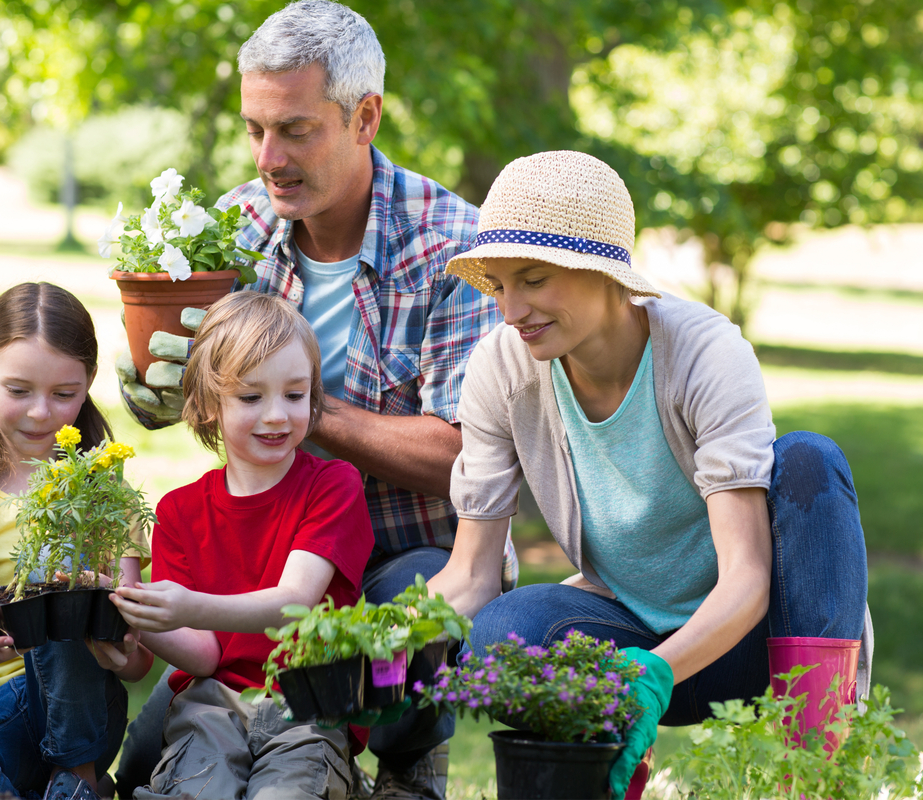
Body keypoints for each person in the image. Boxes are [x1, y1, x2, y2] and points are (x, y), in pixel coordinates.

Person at [115, 4, 511, 797]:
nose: (268, 157)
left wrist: (308, 408)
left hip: (404, 554)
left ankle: (407, 762)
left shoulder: (454, 250)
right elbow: (195, 388)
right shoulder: (237, 229)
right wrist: (161, 391)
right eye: (255, 129)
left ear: (365, 117)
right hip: (264, 563)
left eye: (295, 130)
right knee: (149, 752)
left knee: (413, 622)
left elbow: (466, 456)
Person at [426, 151, 873, 799]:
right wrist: (384, 636)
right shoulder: (502, 369)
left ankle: (812, 771)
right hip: (630, 636)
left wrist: (654, 675)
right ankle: (606, 774)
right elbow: (470, 574)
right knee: (500, 637)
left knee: (809, 458)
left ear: (604, 271)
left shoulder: (704, 353)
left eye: (532, 279)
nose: (510, 311)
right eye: (498, 285)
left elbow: (748, 579)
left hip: (755, 639)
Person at [106, 291, 374, 798]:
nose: (276, 415)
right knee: (196, 788)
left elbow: (295, 601)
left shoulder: (334, 485)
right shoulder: (180, 512)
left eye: (295, 395)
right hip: (211, 703)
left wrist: (187, 605)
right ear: (209, 405)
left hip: (311, 702)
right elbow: (203, 656)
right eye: (251, 398)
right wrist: (134, 608)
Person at [0, 282, 154, 800]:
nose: (42, 413)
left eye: (64, 394)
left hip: (86, 717)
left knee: (59, 579)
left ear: (88, 385)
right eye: (20, 390)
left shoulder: (106, 497)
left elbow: (137, 664)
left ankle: (79, 778)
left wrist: (111, 643)